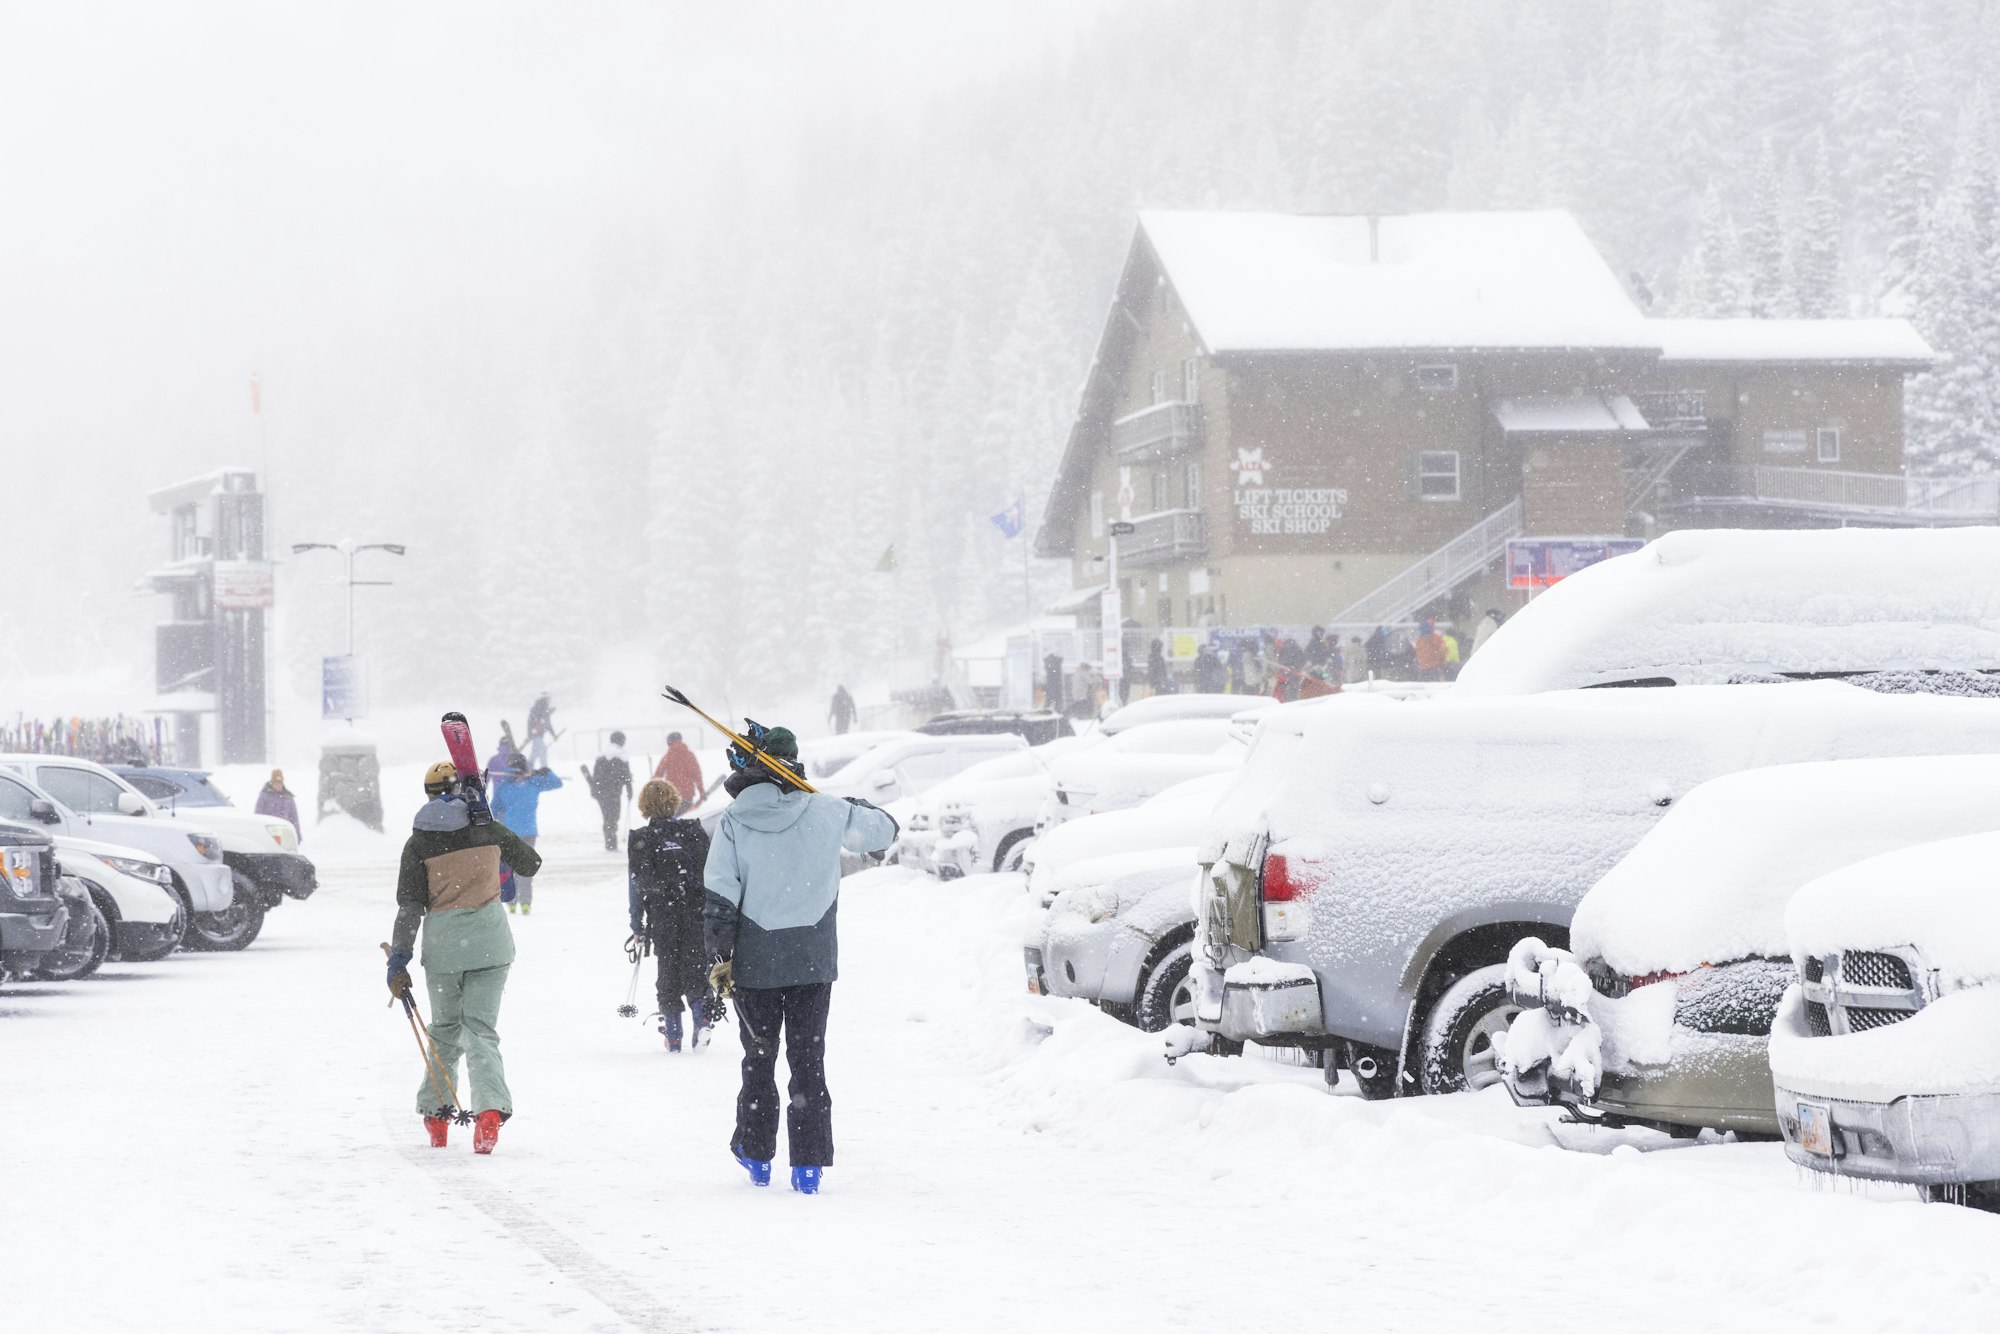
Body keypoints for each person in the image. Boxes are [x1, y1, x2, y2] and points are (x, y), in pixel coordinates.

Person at [703, 725, 898, 1196]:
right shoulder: (829, 810)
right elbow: (886, 831)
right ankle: (807, 1165)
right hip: (813, 959)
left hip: (756, 961)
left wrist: (721, 954)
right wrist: (858, 806)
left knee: (759, 1056)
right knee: (809, 1058)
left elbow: (720, 893)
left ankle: (756, 1154)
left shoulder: (733, 821)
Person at [384, 761, 540, 1155]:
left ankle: (437, 1116)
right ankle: (489, 1114)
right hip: (490, 943)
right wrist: (486, 827)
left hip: (443, 950)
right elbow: (530, 864)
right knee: (481, 1030)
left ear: (428, 794)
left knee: (445, 1030)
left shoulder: (417, 843)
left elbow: (409, 908)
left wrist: (398, 959)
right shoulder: (485, 827)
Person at [628, 779, 715, 1052]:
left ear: (645, 806)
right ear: (675, 801)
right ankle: (702, 1020)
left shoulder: (642, 838)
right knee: (696, 967)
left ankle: (674, 1032)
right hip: (696, 912)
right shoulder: (694, 831)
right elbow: (712, 874)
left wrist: (637, 924)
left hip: (663, 915)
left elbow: (636, 887)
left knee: (667, 971)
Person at [490, 755, 561, 914]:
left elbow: (494, 809)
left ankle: (513, 901)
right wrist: (545, 773)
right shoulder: (533, 783)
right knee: (526, 868)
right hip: (527, 833)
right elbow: (556, 782)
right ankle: (525, 902)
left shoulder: (505, 786)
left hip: (510, 834)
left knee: (510, 869)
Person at [584, 732, 634, 852]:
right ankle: (611, 843)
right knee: (613, 817)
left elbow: (596, 775)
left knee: (607, 816)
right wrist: (629, 790)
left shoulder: (601, 756)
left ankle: (610, 842)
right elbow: (626, 775)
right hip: (614, 792)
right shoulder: (621, 756)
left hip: (601, 792)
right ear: (621, 740)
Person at [654, 731, 705, 811]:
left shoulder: (667, 756)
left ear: (669, 742)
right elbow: (697, 775)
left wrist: (653, 793)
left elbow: (657, 775)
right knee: (687, 819)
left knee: (674, 820)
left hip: (672, 795)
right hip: (687, 794)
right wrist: (701, 791)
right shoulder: (690, 755)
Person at [254, 769, 301, 841]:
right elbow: (258, 816)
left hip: (284, 834)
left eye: (280, 782)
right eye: (276, 782)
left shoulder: (288, 798)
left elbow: (294, 818)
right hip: (268, 834)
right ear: (272, 783)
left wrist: (297, 835)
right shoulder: (264, 797)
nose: (278, 785)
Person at [525, 693, 556, 768]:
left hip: (534, 734)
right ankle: (544, 769)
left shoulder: (536, 708)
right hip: (538, 734)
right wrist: (553, 735)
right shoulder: (544, 708)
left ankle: (529, 767)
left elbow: (530, 721)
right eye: (549, 699)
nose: (550, 701)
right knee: (543, 750)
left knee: (535, 751)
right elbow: (548, 724)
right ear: (546, 699)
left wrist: (529, 733)